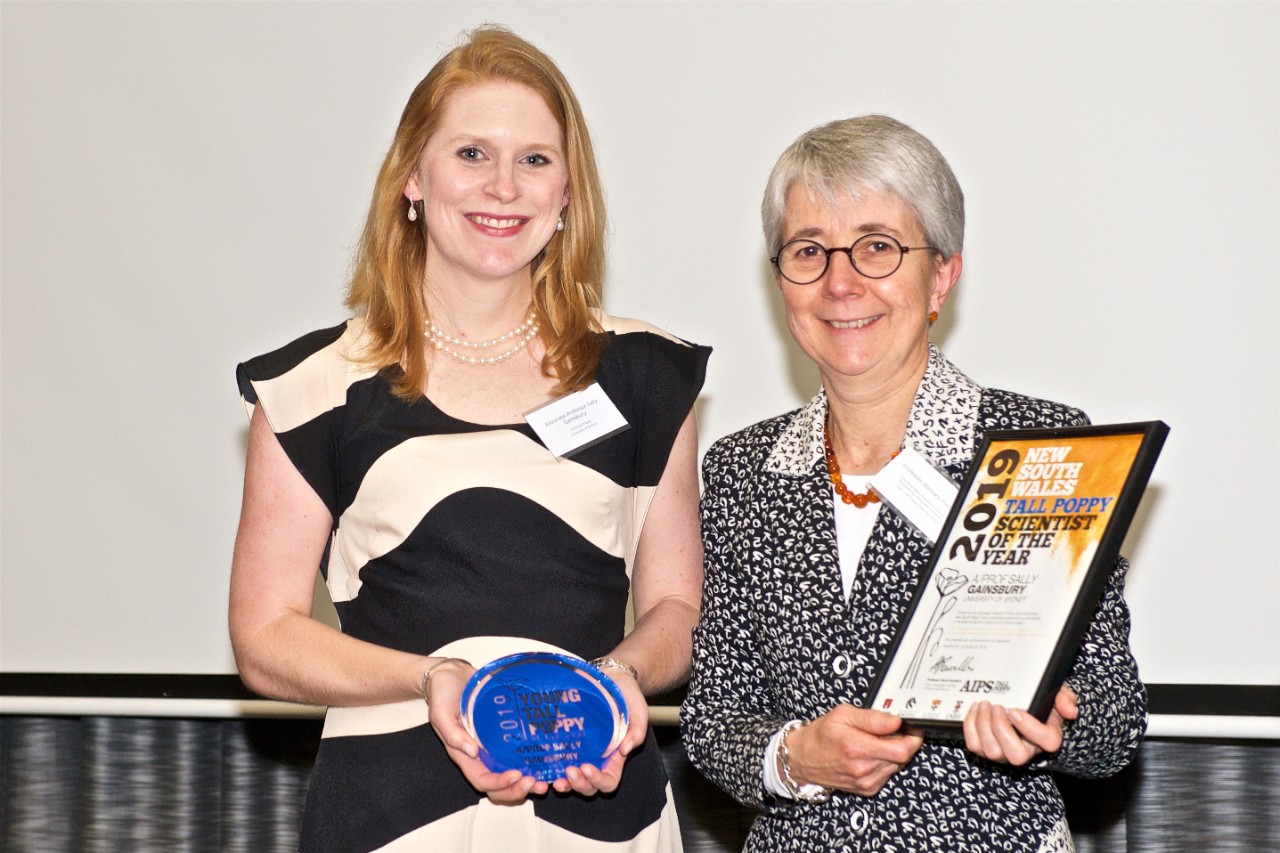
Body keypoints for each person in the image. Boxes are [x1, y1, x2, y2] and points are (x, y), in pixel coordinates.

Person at [230, 26, 708, 852]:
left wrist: (619, 685)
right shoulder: (312, 388)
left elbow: (677, 609)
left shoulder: (643, 374)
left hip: (598, 810)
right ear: (412, 176)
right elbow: (265, 638)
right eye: (472, 154)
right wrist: (430, 678)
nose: (504, 187)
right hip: (389, 817)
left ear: (567, 195)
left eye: (535, 160)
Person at [680, 114, 1145, 852]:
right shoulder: (744, 469)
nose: (840, 282)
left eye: (877, 247)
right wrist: (791, 757)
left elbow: (1114, 724)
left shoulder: (1037, 450)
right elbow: (713, 719)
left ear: (942, 274)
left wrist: (1058, 723)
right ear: (781, 281)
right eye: (809, 250)